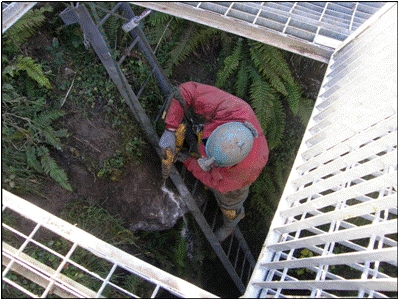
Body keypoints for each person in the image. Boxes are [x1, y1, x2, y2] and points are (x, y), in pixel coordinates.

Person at [159, 82, 269, 242]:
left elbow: (214, 182)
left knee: (229, 205)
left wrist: (188, 161)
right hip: (220, 157)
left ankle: (231, 224)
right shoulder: (234, 109)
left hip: (235, 186)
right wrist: (170, 129)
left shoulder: (243, 169)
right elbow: (186, 91)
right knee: (201, 148)